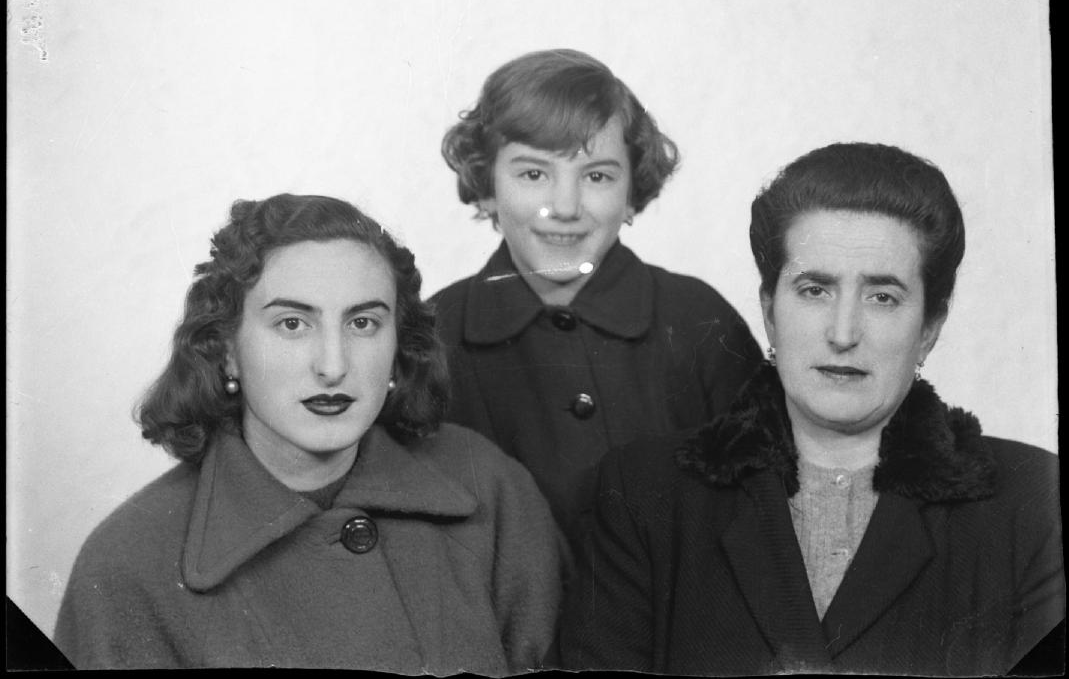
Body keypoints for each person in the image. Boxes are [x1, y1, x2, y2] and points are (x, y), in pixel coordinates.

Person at [560, 142, 1064, 675]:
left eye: (882, 297)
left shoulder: (1036, 503)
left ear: (929, 328)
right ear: (770, 313)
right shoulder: (643, 495)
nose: (843, 333)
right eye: (815, 290)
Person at [54, 194, 563, 672]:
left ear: (398, 346)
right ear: (226, 350)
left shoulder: (490, 489)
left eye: (363, 323)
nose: (333, 365)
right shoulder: (128, 562)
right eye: (293, 324)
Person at [433, 48, 762, 559]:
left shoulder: (698, 318)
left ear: (631, 194)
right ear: (487, 187)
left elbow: (760, 513)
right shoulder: (436, 332)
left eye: (597, 176)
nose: (565, 207)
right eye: (533, 174)